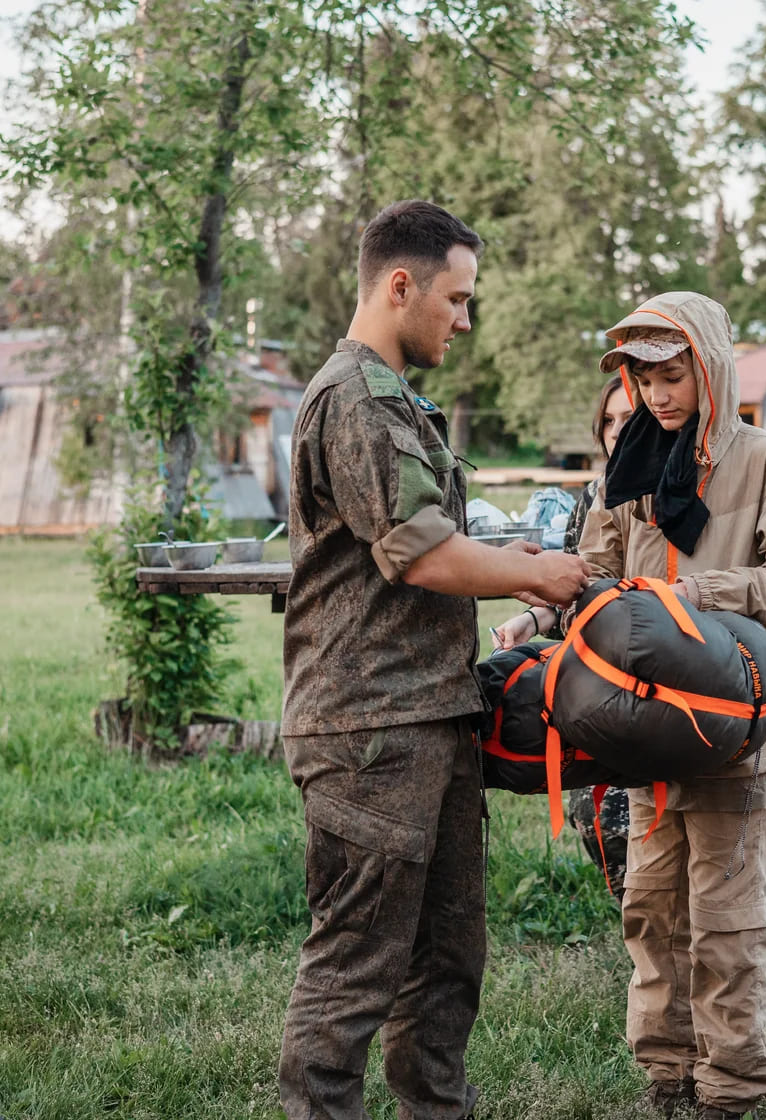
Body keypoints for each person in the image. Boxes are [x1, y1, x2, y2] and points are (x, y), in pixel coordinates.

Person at [279, 199, 592, 1120]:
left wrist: (519, 564)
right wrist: (547, 575)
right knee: (354, 974)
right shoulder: (356, 400)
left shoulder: (396, 401)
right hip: (370, 728)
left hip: (430, 716)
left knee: (447, 966)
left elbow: (441, 545)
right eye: (456, 299)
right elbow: (421, 556)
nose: (464, 319)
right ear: (400, 284)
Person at [580, 291, 766, 1120]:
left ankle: (731, 1088)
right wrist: (545, 611)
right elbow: (597, 571)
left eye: (674, 375)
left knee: (723, 923)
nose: (659, 396)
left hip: (732, 730)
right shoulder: (629, 468)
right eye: (644, 382)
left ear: (710, 369)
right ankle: (667, 1075)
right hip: (649, 732)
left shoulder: (763, 460)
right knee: (649, 909)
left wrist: (690, 598)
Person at [492, 375, 635, 898]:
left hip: (651, 672)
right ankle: (637, 920)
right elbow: (571, 592)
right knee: (594, 816)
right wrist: (528, 622)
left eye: (629, 418)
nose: (617, 432)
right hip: (594, 675)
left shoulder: (674, 494)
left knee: (630, 818)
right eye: (609, 422)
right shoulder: (593, 497)